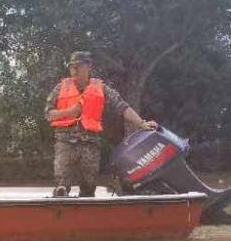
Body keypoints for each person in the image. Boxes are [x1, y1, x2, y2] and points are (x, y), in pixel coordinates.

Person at [45, 51, 158, 198]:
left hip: (90, 143)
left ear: (89, 67)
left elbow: (122, 107)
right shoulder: (60, 88)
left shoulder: (101, 88)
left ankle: (87, 211)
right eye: (72, 67)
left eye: (79, 66)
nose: (74, 70)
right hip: (65, 142)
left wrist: (142, 123)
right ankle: (60, 200)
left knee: (89, 184)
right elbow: (48, 114)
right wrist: (69, 112)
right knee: (62, 181)